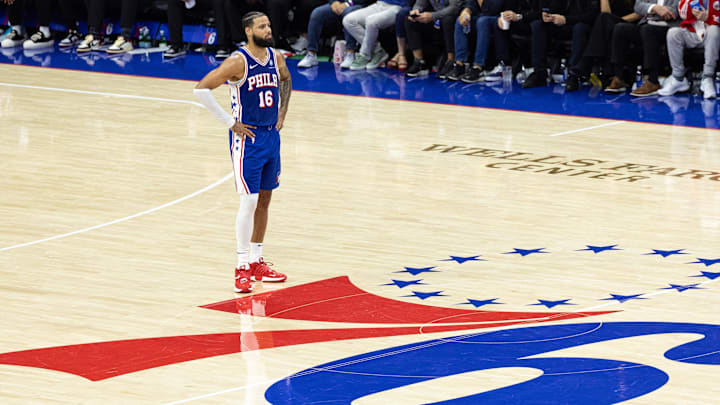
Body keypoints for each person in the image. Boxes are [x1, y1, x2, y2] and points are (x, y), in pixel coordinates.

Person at [194, 11, 290, 293]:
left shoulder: (276, 57)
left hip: (271, 136)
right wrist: (230, 122)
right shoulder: (238, 61)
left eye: (269, 24)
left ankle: (257, 260)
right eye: (262, 26)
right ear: (249, 31)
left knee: (264, 200)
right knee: (248, 202)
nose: (268, 29)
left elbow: (285, 80)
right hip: (247, 140)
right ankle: (241, 267)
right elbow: (201, 90)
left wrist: (283, 111)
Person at [606, 0, 679, 96]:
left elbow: (676, 12)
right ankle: (619, 77)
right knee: (620, 28)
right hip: (648, 25)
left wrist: (652, 11)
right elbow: (638, 6)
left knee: (648, 30)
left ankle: (653, 81)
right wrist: (654, 8)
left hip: (669, 28)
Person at [521, 0, 599, 88]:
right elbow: (548, 8)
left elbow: (592, 16)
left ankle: (574, 75)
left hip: (579, 25)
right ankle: (540, 72)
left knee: (580, 28)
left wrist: (566, 19)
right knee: (538, 25)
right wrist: (548, 15)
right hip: (559, 24)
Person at [564, 0, 640, 91]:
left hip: (631, 25)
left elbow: (639, 14)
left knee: (606, 21)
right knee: (602, 21)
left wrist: (614, 22)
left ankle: (585, 63)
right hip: (611, 25)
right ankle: (594, 67)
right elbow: (605, 12)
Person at [658, 0, 719, 98]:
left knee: (714, 30)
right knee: (673, 33)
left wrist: (708, 17)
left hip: (713, 36)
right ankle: (678, 79)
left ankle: (708, 78)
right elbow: (683, 14)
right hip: (694, 34)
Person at [296, 0, 369, 68]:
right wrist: (333, 2)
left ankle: (350, 53)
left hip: (359, 4)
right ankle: (311, 54)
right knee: (317, 13)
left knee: (348, 13)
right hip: (340, 3)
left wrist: (348, 3)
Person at [404, 0, 463, 77]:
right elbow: (420, 4)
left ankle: (451, 62)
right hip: (435, 18)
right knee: (410, 20)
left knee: (447, 19)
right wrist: (416, 11)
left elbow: (454, 8)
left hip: (453, 17)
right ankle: (419, 62)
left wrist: (433, 15)